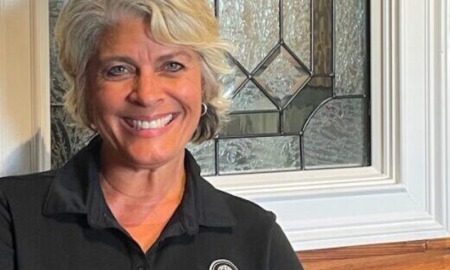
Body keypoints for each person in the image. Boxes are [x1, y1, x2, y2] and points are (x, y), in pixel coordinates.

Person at [0, 0, 303, 269]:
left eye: (172, 65)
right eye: (118, 69)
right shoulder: (12, 217)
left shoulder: (256, 237)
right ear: (86, 90)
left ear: (205, 85)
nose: (147, 95)